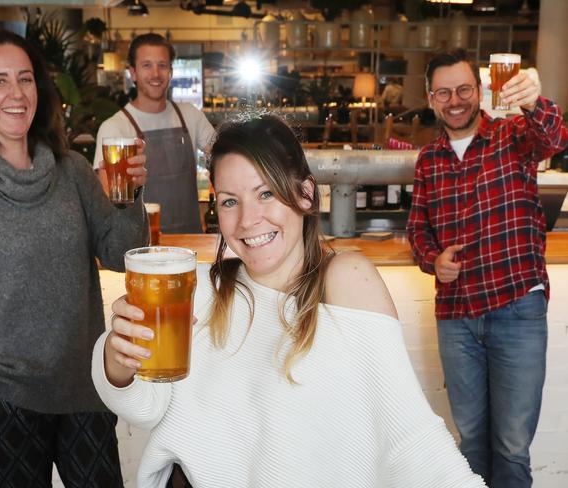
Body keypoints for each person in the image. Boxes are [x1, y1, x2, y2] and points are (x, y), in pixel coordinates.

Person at [91, 114, 487, 488]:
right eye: (229, 201)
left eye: (266, 193)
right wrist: (116, 358)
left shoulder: (344, 281)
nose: (248, 219)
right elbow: (146, 409)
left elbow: (411, 436)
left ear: (305, 194)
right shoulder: (195, 288)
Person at [0, 29, 150, 487]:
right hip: (2, 401)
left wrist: (130, 192)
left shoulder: (74, 173)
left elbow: (122, 256)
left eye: (25, 79)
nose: (16, 93)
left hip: (85, 388)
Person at [406, 49, 568, 488]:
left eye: (463, 89)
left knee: (512, 447)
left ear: (479, 91)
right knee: (472, 442)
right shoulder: (428, 160)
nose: (454, 100)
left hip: (517, 309)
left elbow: (555, 138)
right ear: (430, 97)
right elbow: (417, 232)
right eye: (444, 92)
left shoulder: (513, 134)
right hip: (457, 318)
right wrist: (432, 261)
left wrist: (535, 101)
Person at [93, 33, 215, 234]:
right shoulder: (115, 127)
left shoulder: (190, 115)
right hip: (141, 250)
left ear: (171, 72)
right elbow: (109, 201)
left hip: (190, 244)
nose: (156, 74)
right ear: (132, 73)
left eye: (162, 65)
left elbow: (223, 154)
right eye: (147, 65)